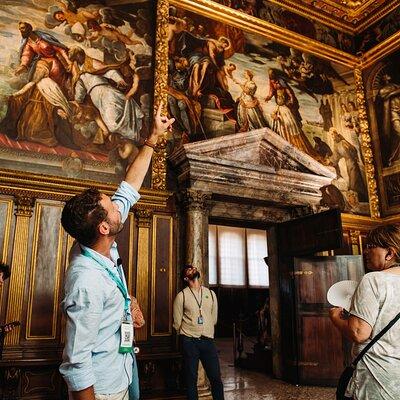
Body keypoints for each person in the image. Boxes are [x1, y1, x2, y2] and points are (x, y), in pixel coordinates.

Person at [59, 103, 174, 400]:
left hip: (123, 367)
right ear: (104, 228)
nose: (118, 205)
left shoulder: (97, 241)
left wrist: (153, 138)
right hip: (104, 389)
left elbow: (129, 186)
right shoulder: (85, 282)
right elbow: (77, 361)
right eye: (112, 207)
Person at [329, 224, 400, 399]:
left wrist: (336, 318)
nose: (365, 252)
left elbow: (359, 333)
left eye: (370, 246)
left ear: (389, 253)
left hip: (378, 375)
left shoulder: (373, 279)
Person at [173, 265, 224, 400]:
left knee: (216, 378)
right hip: (190, 341)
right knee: (191, 380)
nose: (193, 268)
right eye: (189, 269)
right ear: (185, 277)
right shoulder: (181, 296)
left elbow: (213, 319)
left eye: (194, 268)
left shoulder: (210, 294)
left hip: (208, 341)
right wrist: (187, 335)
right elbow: (177, 323)